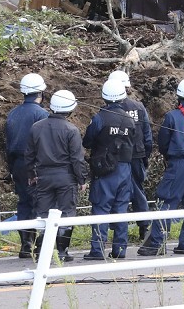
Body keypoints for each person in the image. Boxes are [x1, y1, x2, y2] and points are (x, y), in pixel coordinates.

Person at [139, 78, 184, 256]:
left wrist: (167, 155)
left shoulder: (171, 117)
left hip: (178, 163)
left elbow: (163, 141)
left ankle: (156, 243)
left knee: (167, 200)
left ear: (179, 95)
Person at [26, 90, 89, 262]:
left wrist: (31, 174)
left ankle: (41, 251)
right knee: (67, 213)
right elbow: (77, 159)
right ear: (70, 109)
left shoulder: (36, 127)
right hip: (66, 177)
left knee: (43, 213)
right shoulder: (71, 130)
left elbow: (29, 155)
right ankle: (62, 252)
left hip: (43, 177)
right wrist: (82, 179)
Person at [82, 78, 136, 260]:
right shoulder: (130, 119)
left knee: (101, 208)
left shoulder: (99, 118)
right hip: (125, 169)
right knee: (121, 209)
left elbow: (87, 141)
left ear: (104, 97)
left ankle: (97, 250)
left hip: (104, 169)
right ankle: (120, 249)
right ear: (122, 97)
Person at [5, 73, 49, 259]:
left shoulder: (13, 113)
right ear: (40, 93)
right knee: (41, 203)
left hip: (17, 164)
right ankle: (40, 244)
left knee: (24, 203)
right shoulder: (42, 114)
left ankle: (26, 244)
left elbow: (7, 143)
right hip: (36, 165)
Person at [109, 70, 154, 242]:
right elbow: (147, 134)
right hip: (137, 155)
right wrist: (145, 156)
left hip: (116, 157)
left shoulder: (107, 109)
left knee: (115, 191)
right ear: (127, 87)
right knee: (138, 191)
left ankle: (115, 227)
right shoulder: (139, 107)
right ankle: (144, 227)